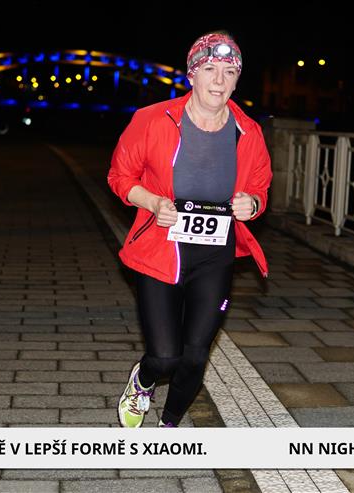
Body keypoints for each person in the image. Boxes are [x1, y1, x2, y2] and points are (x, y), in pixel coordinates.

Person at [107, 31, 272, 428]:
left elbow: (260, 187)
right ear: (192, 74)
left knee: (196, 355)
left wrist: (252, 204)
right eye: (210, 69)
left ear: (237, 80)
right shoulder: (152, 119)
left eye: (229, 72)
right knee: (166, 356)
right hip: (161, 249)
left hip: (215, 254)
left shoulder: (248, 131)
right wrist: (152, 202)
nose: (219, 80)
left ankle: (169, 426)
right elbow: (120, 176)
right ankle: (143, 380)